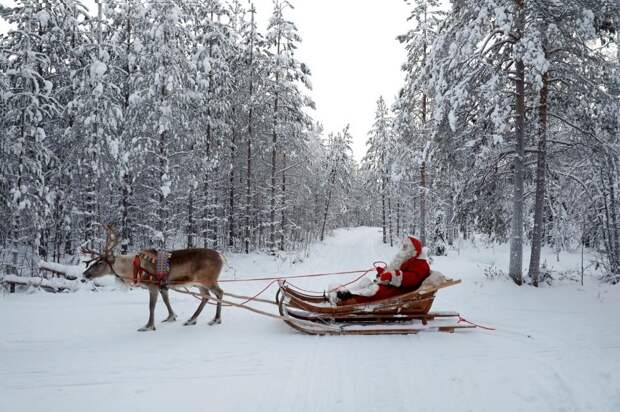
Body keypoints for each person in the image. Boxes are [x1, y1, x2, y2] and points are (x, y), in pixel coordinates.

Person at [333, 235, 431, 305]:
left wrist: (391, 276)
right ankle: (346, 294)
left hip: (403, 291)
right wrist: (383, 272)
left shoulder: (420, 263)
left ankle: (349, 301)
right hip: (395, 286)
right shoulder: (408, 258)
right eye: (403, 246)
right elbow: (396, 270)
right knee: (366, 283)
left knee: (375, 291)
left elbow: (412, 279)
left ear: (413, 250)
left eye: (405, 247)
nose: (402, 249)